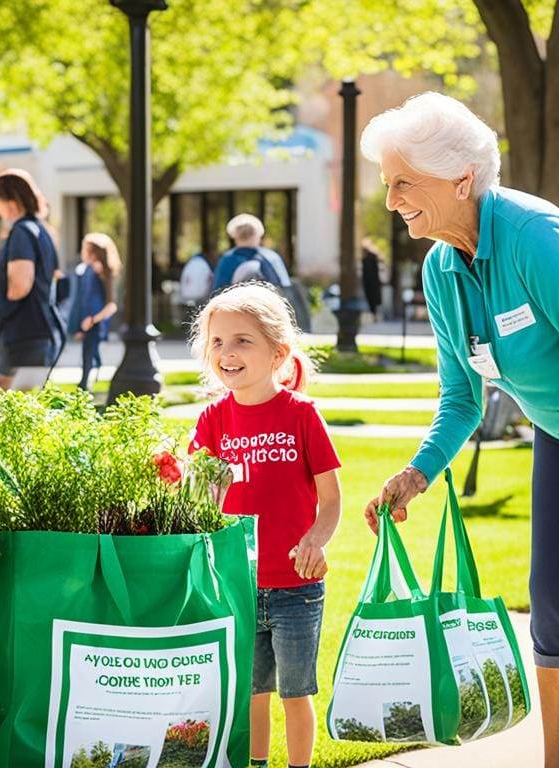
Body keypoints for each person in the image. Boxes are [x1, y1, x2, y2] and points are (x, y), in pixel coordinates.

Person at [360, 93, 559, 768]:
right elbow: (462, 398)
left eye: (403, 183)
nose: (391, 201)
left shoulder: (531, 234)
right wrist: (417, 473)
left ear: (461, 180)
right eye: (388, 184)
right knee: (551, 601)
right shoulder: (441, 270)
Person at [187, 282, 341, 768]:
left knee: (295, 694)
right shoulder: (212, 421)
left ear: (277, 353)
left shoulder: (302, 415)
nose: (227, 353)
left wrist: (316, 540)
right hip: (237, 586)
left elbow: (331, 500)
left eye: (242, 341)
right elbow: (199, 501)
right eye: (217, 341)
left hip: (296, 587)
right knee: (251, 695)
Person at [0, 168, 64, 391]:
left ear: (10, 201)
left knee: (12, 402)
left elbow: (20, 286)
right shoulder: (41, 230)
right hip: (39, 331)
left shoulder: (22, 232)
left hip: (22, 334)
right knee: (26, 403)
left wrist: (1, 310)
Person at [70, 233, 121, 391]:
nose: (83, 252)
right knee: (90, 352)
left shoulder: (103, 272)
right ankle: (91, 375)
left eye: (86, 249)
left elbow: (111, 305)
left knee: (88, 354)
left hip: (95, 321)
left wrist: (93, 320)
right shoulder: (86, 270)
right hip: (86, 320)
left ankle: (84, 386)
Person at [361, 237, 384, 317]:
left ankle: (374, 313)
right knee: (371, 298)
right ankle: (373, 313)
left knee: (372, 298)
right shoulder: (366, 257)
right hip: (370, 282)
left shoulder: (371, 256)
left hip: (372, 281)